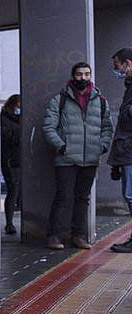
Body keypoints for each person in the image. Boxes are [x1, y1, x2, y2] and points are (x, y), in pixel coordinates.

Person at [41, 61, 113, 250]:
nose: (83, 78)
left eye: (87, 74)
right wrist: (61, 146)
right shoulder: (60, 99)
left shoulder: (100, 101)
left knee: (83, 198)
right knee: (63, 197)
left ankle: (78, 236)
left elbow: (107, 128)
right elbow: (48, 127)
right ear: (73, 76)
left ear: (91, 76)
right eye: (79, 74)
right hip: (66, 158)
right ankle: (53, 236)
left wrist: (102, 146)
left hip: (90, 158)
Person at [108, 48, 132, 252]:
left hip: (130, 151)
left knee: (131, 195)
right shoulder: (129, 85)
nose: (116, 69)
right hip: (126, 150)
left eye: (117, 65)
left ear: (128, 63)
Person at [0, 95, 22, 235]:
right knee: (13, 190)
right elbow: (7, 139)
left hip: (18, 158)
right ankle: (9, 223)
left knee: (17, 190)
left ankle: (11, 221)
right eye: (18, 106)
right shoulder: (4, 120)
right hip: (9, 160)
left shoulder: (20, 120)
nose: (19, 109)